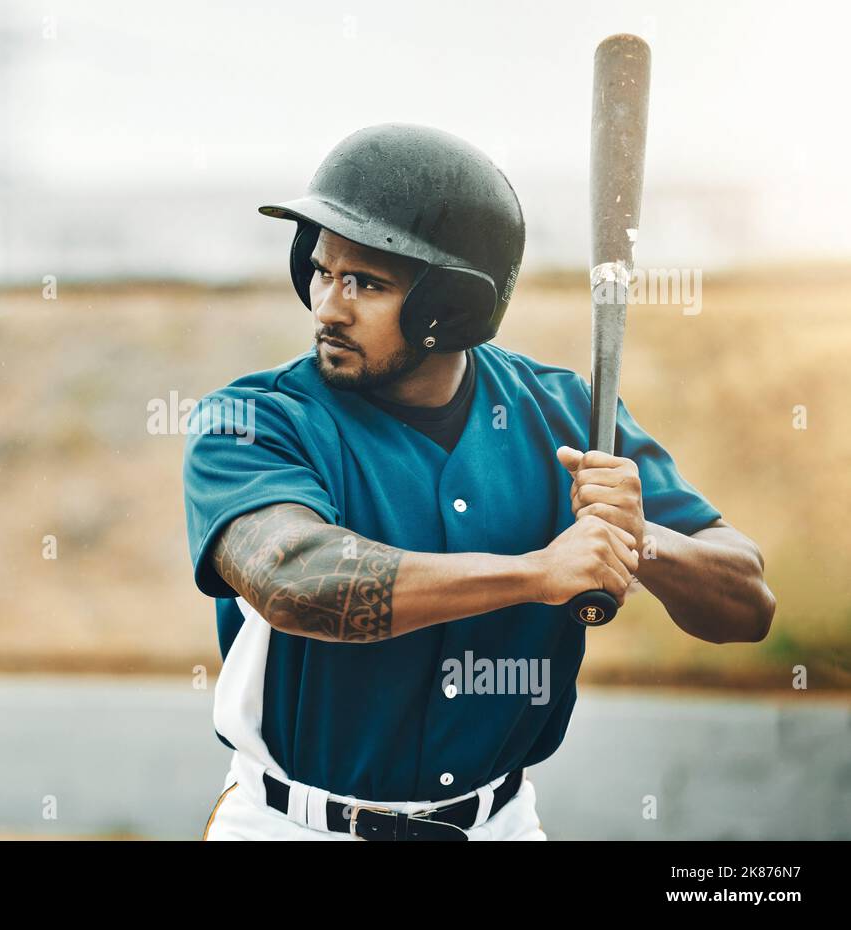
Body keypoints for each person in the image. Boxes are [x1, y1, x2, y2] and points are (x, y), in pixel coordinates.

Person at [182, 123, 776, 841]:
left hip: (498, 824)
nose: (328, 307)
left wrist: (638, 541)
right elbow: (294, 579)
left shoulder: (569, 416)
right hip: (294, 826)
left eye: (365, 283)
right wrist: (538, 574)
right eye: (321, 270)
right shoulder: (254, 420)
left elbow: (748, 604)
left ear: (450, 306)